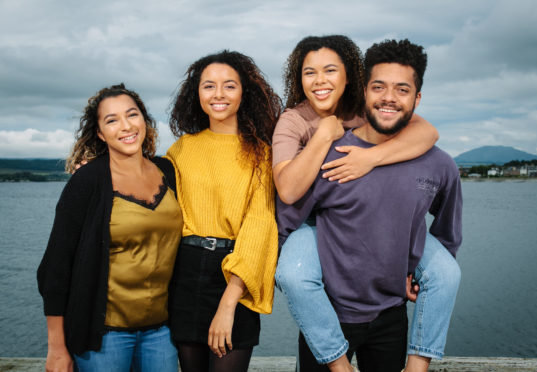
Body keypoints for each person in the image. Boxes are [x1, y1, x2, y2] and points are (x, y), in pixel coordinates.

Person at [276, 39, 462, 372]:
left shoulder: (436, 163)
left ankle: (419, 362)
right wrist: (322, 138)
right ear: (365, 90)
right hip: (329, 290)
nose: (389, 97)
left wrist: (418, 269)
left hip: (389, 315)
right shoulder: (302, 130)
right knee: (294, 272)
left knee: (447, 271)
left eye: (402, 90)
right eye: (379, 87)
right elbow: (288, 200)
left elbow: (426, 134)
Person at [37, 84, 182, 372]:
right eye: (112, 120)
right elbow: (55, 268)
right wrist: (56, 348)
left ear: (145, 120)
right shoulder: (87, 181)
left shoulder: (168, 171)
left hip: (162, 333)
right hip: (103, 336)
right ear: (101, 134)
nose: (126, 126)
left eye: (132, 115)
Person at [165, 50, 281, 372]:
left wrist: (229, 302)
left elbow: (260, 226)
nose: (218, 95)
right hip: (184, 273)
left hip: (234, 276)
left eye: (229, 86)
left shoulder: (262, 154)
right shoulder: (181, 149)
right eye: (208, 86)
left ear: (245, 93)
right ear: (196, 93)